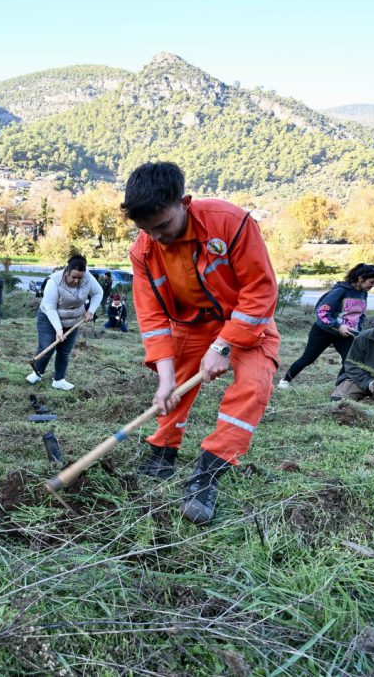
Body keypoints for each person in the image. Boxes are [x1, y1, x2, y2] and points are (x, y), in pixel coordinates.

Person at [122, 162, 280, 525]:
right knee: (174, 383)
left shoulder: (230, 222)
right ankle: (162, 451)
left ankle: (206, 474)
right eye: (146, 229)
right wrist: (165, 378)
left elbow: (260, 291)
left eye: (163, 226)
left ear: (184, 203)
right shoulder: (144, 250)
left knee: (254, 386)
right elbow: (152, 316)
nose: (156, 237)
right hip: (192, 323)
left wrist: (224, 346)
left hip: (246, 321)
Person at [277, 263, 374, 389]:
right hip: (323, 331)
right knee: (308, 358)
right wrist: (338, 326)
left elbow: (359, 315)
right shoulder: (340, 291)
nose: (373, 286)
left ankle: (339, 387)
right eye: (372, 282)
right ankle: (285, 380)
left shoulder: (363, 293)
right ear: (360, 278)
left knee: (350, 361)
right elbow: (321, 312)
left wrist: (357, 329)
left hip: (346, 334)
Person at [26, 254, 103, 391]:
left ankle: (59, 379)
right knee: (46, 348)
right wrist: (58, 329)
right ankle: (38, 373)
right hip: (49, 318)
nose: (76, 280)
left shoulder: (88, 278)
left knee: (64, 351)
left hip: (73, 320)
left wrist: (91, 311)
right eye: (73, 277)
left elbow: (98, 293)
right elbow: (50, 307)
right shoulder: (54, 281)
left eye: (79, 278)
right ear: (67, 271)